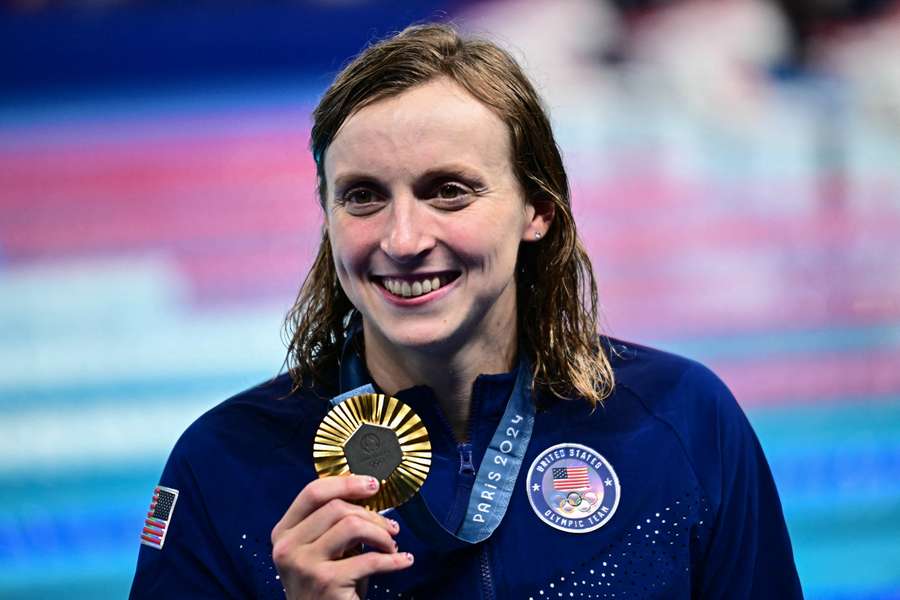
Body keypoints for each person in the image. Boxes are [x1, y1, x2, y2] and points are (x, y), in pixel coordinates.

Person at [129, 23, 803, 599]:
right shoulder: (226, 464)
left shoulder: (679, 421)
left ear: (537, 210)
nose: (402, 239)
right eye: (363, 196)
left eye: (448, 191)